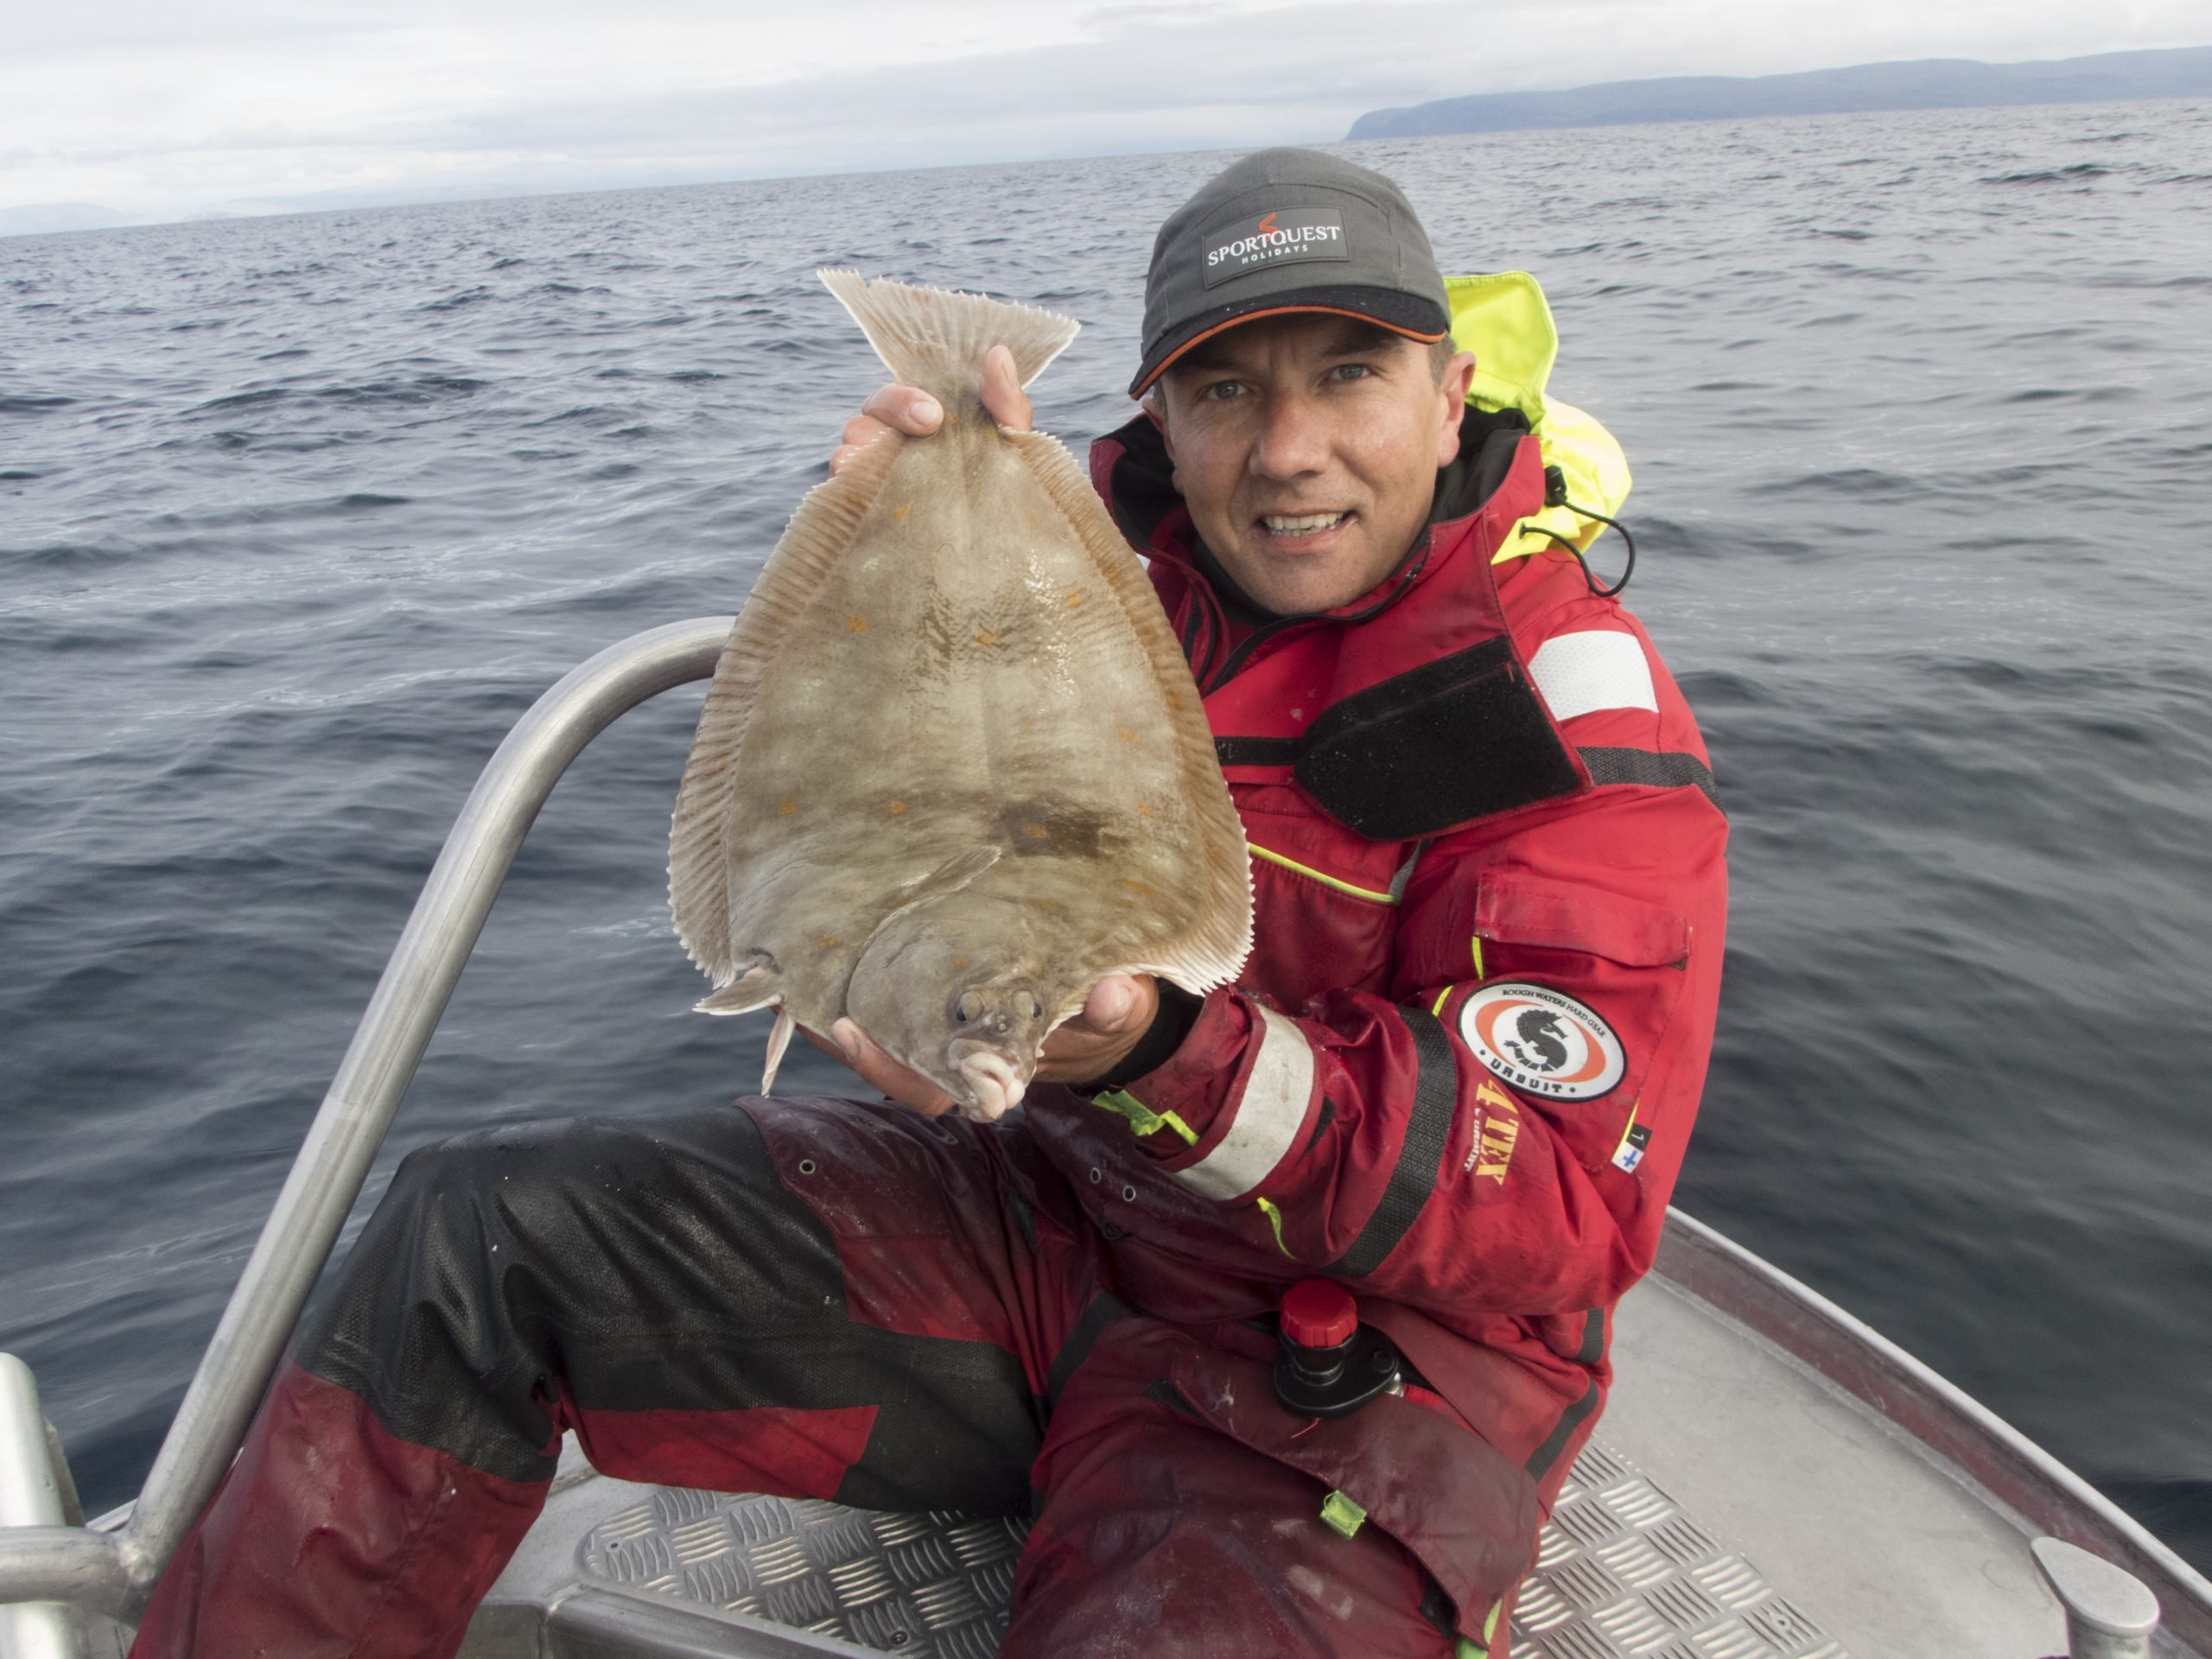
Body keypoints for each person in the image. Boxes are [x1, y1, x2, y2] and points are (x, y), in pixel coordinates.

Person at [128, 148, 1726, 1659]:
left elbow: (1567, 1203)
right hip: (1044, 1222)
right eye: (1228, 389)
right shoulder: (1110, 572)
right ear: (1157, 418)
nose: (1289, 450)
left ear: (1451, 397)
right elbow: (864, 786)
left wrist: (1152, 1054)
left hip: (1362, 1368)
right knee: (476, 1235)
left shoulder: (1558, 698)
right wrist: (871, 524)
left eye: (1348, 375)